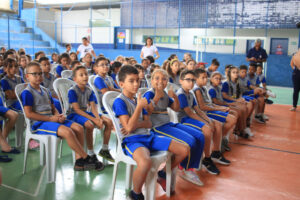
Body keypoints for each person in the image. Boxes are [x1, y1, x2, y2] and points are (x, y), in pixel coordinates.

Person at [112, 65, 189, 199]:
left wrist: (136, 122)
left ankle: (163, 174)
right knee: (145, 162)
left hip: (148, 135)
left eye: (137, 80)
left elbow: (148, 123)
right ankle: (135, 193)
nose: (136, 84)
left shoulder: (138, 99)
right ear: (121, 84)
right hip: (133, 140)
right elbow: (129, 129)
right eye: (131, 81)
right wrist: (139, 109)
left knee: (184, 149)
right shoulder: (120, 101)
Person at [21, 62, 101, 171]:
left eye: (40, 74)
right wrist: (50, 118)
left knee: (79, 128)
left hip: (51, 119)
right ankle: (86, 157)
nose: (39, 76)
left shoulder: (46, 90)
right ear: (27, 76)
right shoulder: (27, 92)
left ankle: (79, 162)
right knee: (68, 132)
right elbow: (28, 114)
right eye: (34, 74)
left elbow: (53, 108)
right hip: (38, 123)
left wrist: (58, 115)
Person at [144, 69, 205, 186]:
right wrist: (156, 97)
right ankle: (185, 169)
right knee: (190, 141)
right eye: (157, 78)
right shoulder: (150, 93)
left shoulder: (165, 94)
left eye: (164, 79)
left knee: (199, 135)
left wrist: (175, 97)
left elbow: (176, 108)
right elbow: (145, 112)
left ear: (167, 81)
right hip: (157, 128)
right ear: (151, 81)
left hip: (168, 124)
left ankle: (188, 167)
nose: (160, 81)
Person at [176, 69, 230, 175]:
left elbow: (198, 109)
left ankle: (215, 152)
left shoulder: (190, 93)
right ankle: (207, 158)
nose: (191, 82)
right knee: (207, 129)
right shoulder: (181, 94)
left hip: (191, 118)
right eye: (188, 80)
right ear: (181, 81)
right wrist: (205, 122)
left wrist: (208, 120)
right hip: (184, 120)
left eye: (193, 80)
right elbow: (190, 113)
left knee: (217, 124)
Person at [67, 66, 114, 162]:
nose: (85, 76)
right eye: (81, 75)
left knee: (108, 122)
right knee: (90, 125)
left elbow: (93, 107)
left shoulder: (89, 90)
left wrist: (98, 119)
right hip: (74, 114)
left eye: (86, 74)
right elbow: (77, 110)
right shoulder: (72, 91)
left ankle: (104, 149)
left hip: (85, 112)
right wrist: (94, 120)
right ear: (75, 79)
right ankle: (91, 153)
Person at [193, 68, 237, 151]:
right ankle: (219, 141)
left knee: (233, 114)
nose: (206, 79)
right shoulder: (197, 90)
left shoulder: (203, 88)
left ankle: (220, 140)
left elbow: (209, 103)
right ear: (196, 78)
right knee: (231, 119)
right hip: (206, 112)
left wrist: (221, 108)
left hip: (210, 109)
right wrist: (219, 109)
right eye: (203, 78)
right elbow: (202, 107)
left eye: (206, 77)